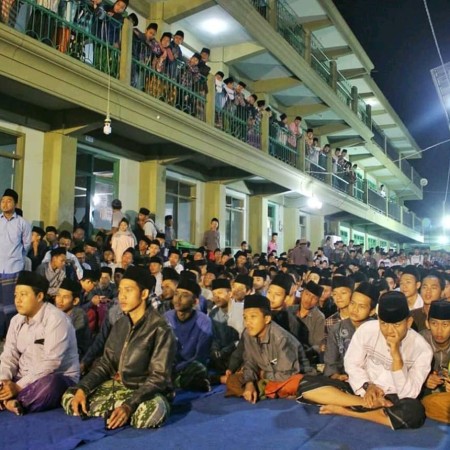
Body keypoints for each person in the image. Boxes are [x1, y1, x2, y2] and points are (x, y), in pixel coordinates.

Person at [298, 292, 433, 430]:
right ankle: (367, 406)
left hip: (394, 398)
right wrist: (368, 387)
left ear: (408, 322)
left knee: (414, 412)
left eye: (397, 325)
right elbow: (352, 363)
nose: (389, 331)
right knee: (306, 384)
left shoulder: (422, 349)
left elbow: (408, 395)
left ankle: (346, 411)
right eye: (384, 324)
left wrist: (396, 355)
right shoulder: (367, 329)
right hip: (363, 390)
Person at [62, 266, 176, 429]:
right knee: (71, 395)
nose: (121, 296)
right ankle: (117, 412)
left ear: (143, 294)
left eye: (128, 290)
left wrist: (129, 405)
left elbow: (158, 378)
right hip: (119, 387)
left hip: (147, 392)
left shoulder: (161, 328)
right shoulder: (120, 324)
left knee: (150, 412)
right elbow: (105, 364)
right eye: (120, 290)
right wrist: (83, 388)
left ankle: (119, 411)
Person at [0, 271, 79, 415]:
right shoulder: (16, 320)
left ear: (40, 296)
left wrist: (17, 387)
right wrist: (4, 380)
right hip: (23, 376)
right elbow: (9, 354)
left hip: (56, 377)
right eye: (16, 295)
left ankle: (12, 401)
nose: (17, 300)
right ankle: (8, 398)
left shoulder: (56, 319)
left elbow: (52, 363)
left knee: (50, 385)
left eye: (23, 294)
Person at [225, 295, 307, 402]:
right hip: (267, 376)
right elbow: (249, 362)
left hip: (288, 376)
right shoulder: (247, 333)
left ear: (267, 319)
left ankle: (265, 390)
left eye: (253, 316)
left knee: (295, 383)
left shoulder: (281, 338)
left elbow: (288, 374)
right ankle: (264, 390)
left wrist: (263, 374)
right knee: (232, 380)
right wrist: (249, 383)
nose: (247, 322)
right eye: (245, 317)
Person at [165, 278, 212, 392]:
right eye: (176, 294)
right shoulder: (166, 317)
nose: (178, 299)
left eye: (185, 295)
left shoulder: (203, 321)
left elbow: (201, 355)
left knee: (199, 368)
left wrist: (179, 368)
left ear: (195, 301)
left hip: (190, 365)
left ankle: (175, 382)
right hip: (168, 365)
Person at [324, 282, 378, 379]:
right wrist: (336, 376)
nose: (354, 309)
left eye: (361, 306)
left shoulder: (378, 330)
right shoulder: (336, 329)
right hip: (344, 380)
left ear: (372, 311)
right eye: (352, 303)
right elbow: (331, 364)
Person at [0, 188, 31, 338]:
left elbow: (26, 246)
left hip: (13, 268)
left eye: (9, 201)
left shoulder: (23, 223)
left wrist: (17, 258)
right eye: (3, 200)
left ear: (16, 204)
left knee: (11, 304)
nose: (5, 204)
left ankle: (10, 335)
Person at [421, 300, 450, 424]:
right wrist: (423, 379)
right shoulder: (419, 341)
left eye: (445, 325)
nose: (439, 330)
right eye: (434, 323)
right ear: (427, 324)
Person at [209, 278, 239, 376]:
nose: (216, 297)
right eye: (214, 294)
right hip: (221, 357)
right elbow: (214, 337)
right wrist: (215, 350)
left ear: (230, 294)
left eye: (220, 293)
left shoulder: (242, 311)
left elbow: (243, 340)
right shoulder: (213, 314)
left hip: (239, 354)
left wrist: (226, 350)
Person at [55, 278, 91, 359]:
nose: (59, 301)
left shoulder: (79, 314)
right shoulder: (55, 312)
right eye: (58, 295)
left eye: (65, 297)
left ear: (75, 301)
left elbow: (71, 341)